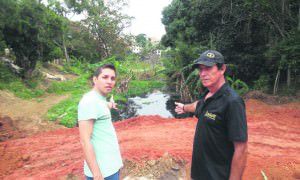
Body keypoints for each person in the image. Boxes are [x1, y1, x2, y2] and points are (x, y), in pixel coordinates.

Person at [175, 50, 248, 180]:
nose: (203, 74)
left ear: (222, 69)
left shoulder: (232, 102)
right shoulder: (208, 95)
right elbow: (198, 106)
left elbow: (241, 149)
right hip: (200, 173)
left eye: (208, 68)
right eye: (200, 69)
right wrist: (185, 108)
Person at [78, 64, 122, 180]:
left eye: (112, 78)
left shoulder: (99, 100)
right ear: (95, 79)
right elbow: (84, 140)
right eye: (105, 77)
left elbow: (102, 107)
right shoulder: (89, 101)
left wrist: (110, 105)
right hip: (103, 173)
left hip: (111, 167)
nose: (109, 81)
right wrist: (96, 174)